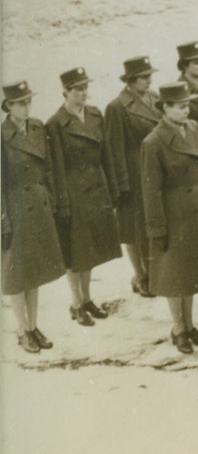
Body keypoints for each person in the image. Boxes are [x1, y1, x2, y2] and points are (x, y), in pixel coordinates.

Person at [45, 67, 121, 328]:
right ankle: (76, 303)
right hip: (74, 194)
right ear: (65, 91)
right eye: (78, 89)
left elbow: (106, 156)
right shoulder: (55, 124)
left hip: (96, 189)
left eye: (85, 87)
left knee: (90, 251)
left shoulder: (94, 115)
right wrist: (62, 202)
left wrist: (111, 190)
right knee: (75, 251)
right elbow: (55, 167)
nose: (83, 93)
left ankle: (87, 299)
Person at [142, 82, 198, 354]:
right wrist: (157, 228)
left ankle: (190, 324)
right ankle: (178, 328)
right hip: (173, 215)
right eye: (180, 106)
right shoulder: (154, 142)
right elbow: (151, 189)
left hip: (196, 211)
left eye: (187, 105)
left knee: (190, 272)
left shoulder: (193, 128)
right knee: (174, 274)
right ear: (165, 108)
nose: (186, 110)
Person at [2, 81, 64, 353]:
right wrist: (3, 220)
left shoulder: (37, 127)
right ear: (8, 106)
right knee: (17, 273)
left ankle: (33, 325)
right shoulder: (3, 136)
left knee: (35, 271)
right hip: (15, 210)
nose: (26, 107)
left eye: (28, 101)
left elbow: (48, 167)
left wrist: (49, 198)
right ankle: (21, 328)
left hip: (37, 207)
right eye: (20, 103)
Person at [105, 55, 160, 298]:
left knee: (152, 224)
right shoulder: (117, 107)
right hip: (134, 176)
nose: (148, 81)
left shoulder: (155, 99)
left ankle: (154, 272)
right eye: (143, 77)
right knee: (133, 228)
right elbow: (113, 148)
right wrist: (121, 184)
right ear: (130, 80)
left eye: (150, 76)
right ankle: (141, 275)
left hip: (155, 172)